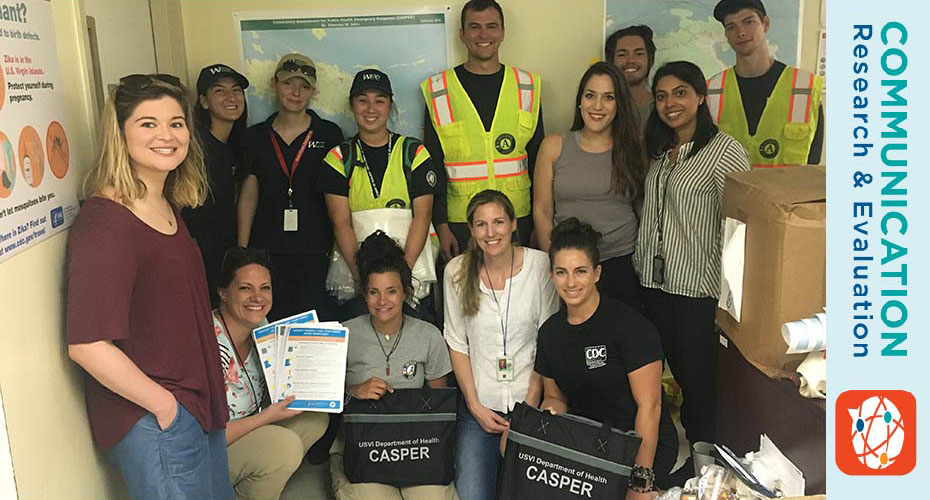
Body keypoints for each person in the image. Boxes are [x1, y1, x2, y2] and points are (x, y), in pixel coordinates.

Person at [66, 74, 232, 500]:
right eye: (148, 123)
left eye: (176, 123)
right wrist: (165, 408)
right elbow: (87, 344)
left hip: (195, 407)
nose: (166, 135)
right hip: (158, 418)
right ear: (120, 133)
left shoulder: (164, 203)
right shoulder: (106, 222)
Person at [634, 61, 751, 448]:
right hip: (654, 286)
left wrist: (731, 297)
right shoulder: (662, 151)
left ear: (701, 97)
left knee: (701, 384)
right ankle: (694, 456)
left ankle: (707, 462)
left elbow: (739, 228)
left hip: (696, 292)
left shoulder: (724, 151)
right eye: (662, 96)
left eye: (680, 93)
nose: (670, 103)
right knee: (682, 379)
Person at [536, 218, 678, 497]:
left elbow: (649, 407)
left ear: (597, 273)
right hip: (591, 445)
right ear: (552, 275)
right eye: (562, 272)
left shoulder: (631, 327)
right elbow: (555, 398)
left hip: (641, 444)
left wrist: (641, 480)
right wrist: (547, 421)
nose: (571, 282)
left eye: (580, 271)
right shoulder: (550, 333)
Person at [444, 190, 559, 500]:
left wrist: (528, 411)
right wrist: (475, 406)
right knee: (471, 495)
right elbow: (457, 343)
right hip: (480, 408)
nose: (490, 232)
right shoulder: (455, 271)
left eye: (498, 222)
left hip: (529, 403)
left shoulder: (539, 266)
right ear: (470, 230)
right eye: (481, 224)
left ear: (513, 224)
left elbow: (547, 342)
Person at [331, 231, 457, 500]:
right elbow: (321, 400)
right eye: (374, 292)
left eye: (391, 291)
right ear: (364, 295)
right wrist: (354, 389)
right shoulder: (344, 334)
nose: (382, 301)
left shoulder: (428, 335)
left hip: (416, 446)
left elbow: (437, 405)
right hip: (364, 448)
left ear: (405, 292)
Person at [421, 0, 544, 260]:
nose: (483, 35)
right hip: (461, 222)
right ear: (462, 35)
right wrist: (441, 225)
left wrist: (538, 223)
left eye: (491, 26)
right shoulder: (438, 90)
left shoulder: (527, 86)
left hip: (517, 220)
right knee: (467, 296)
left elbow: (538, 163)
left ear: (502, 32)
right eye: (474, 27)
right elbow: (433, 166)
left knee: (519, 296)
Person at [213, 247, 329, 500]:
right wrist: (267, 417)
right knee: (284, 448)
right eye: (245, 288)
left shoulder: (262, 327)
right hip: (211, 447)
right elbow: (205, 432)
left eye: (265, 288)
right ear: (223, 293)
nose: (257, 297)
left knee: (314, 418)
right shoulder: (208, 342)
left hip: (249, 426)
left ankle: (259, 482)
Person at [322, 69, 438, 319]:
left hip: (412, 270)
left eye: (379, 101)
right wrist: (360, 278)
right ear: (352, 105)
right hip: (357, 275)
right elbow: (340, 222)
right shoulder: (338, 158)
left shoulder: (414, 152)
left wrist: (402, 277)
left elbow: (423, 215)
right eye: (362, 100)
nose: (370, 109)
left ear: (390, 105)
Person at [237, 53, 344, 321]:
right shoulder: (254, 137)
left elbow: (339, 198)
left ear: (313, 92)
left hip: (317, 252)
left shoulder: (329, 134)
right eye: (288, 84)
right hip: (266, 253)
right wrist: (242, 252)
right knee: (271, 328)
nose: (295, 92)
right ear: (274, 84)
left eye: (304, 86)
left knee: (317, 332)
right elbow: (249, 196)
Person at [534, 62, 645, 309]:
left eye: (608, 98)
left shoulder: (632, 150)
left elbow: (643, 210)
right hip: (571, 266)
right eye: (590, 95)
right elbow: (542, 211)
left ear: (619, 105)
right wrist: (557, 262)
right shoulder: (554, 146)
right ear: (580, 101)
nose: (597, 106)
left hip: (622, 263)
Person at [707, 0, 824, 167]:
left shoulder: (805, 88)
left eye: (749, 22)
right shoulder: (712, 91)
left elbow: (813, 162)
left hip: (788, 193)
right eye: (731, 27)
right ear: (726, 34)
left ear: (766, 24)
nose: (740, 32)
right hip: (729, 193)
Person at [183, 63, 250, 306]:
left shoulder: (238, 146)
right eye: (219, 91)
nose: (231, 98)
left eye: (236, 91)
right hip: (197, 257)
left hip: (225, 255)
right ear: (203, 101)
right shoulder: (193, 148)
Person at [606, 25, 657, 128]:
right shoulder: (602, 108)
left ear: (650, 59)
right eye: (622, 55)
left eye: (639, 53)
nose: (630, 60)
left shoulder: (662, 107)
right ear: (611, 61)